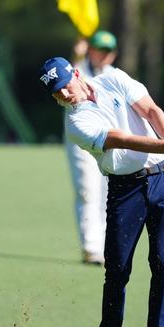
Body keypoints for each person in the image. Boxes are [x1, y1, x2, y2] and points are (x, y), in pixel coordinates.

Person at [38, 55, 164, 327]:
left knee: (162, 263)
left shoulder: (113, 79)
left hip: (163, 180)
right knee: (117, 269)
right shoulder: (77, 123)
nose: (63, 94)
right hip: (124, 191)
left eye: (64, 85)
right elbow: (125, 140)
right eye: (56, 93)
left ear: (75, 74)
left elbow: (151, 111)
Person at [66, 29, 120, 266]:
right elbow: (69, 75)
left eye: (108, 51)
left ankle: (108, 246)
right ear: (91, 49)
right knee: (87, 191)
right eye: (100, 50)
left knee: (109, 193)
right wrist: (76, 55)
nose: (104, 55)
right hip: (82, 143)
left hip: (108, 141)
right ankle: (91, 248)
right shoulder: (79, 71)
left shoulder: (113, 75)